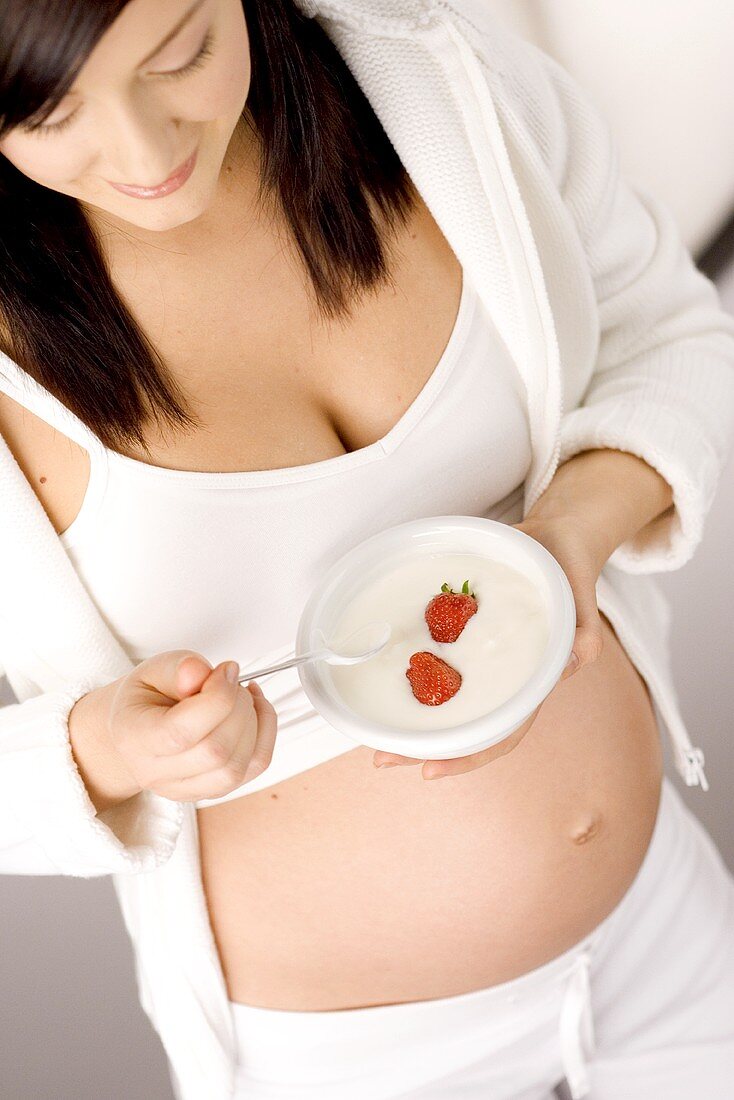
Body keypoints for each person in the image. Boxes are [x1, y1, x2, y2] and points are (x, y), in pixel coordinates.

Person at [1, 1, 733, 1097]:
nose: (146, 154)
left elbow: (666, 332)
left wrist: (573, 530)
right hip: (350, 1061)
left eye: (181, 53)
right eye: (51, 114)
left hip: (660, 932)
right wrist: (104, 747)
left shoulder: (439, 83)